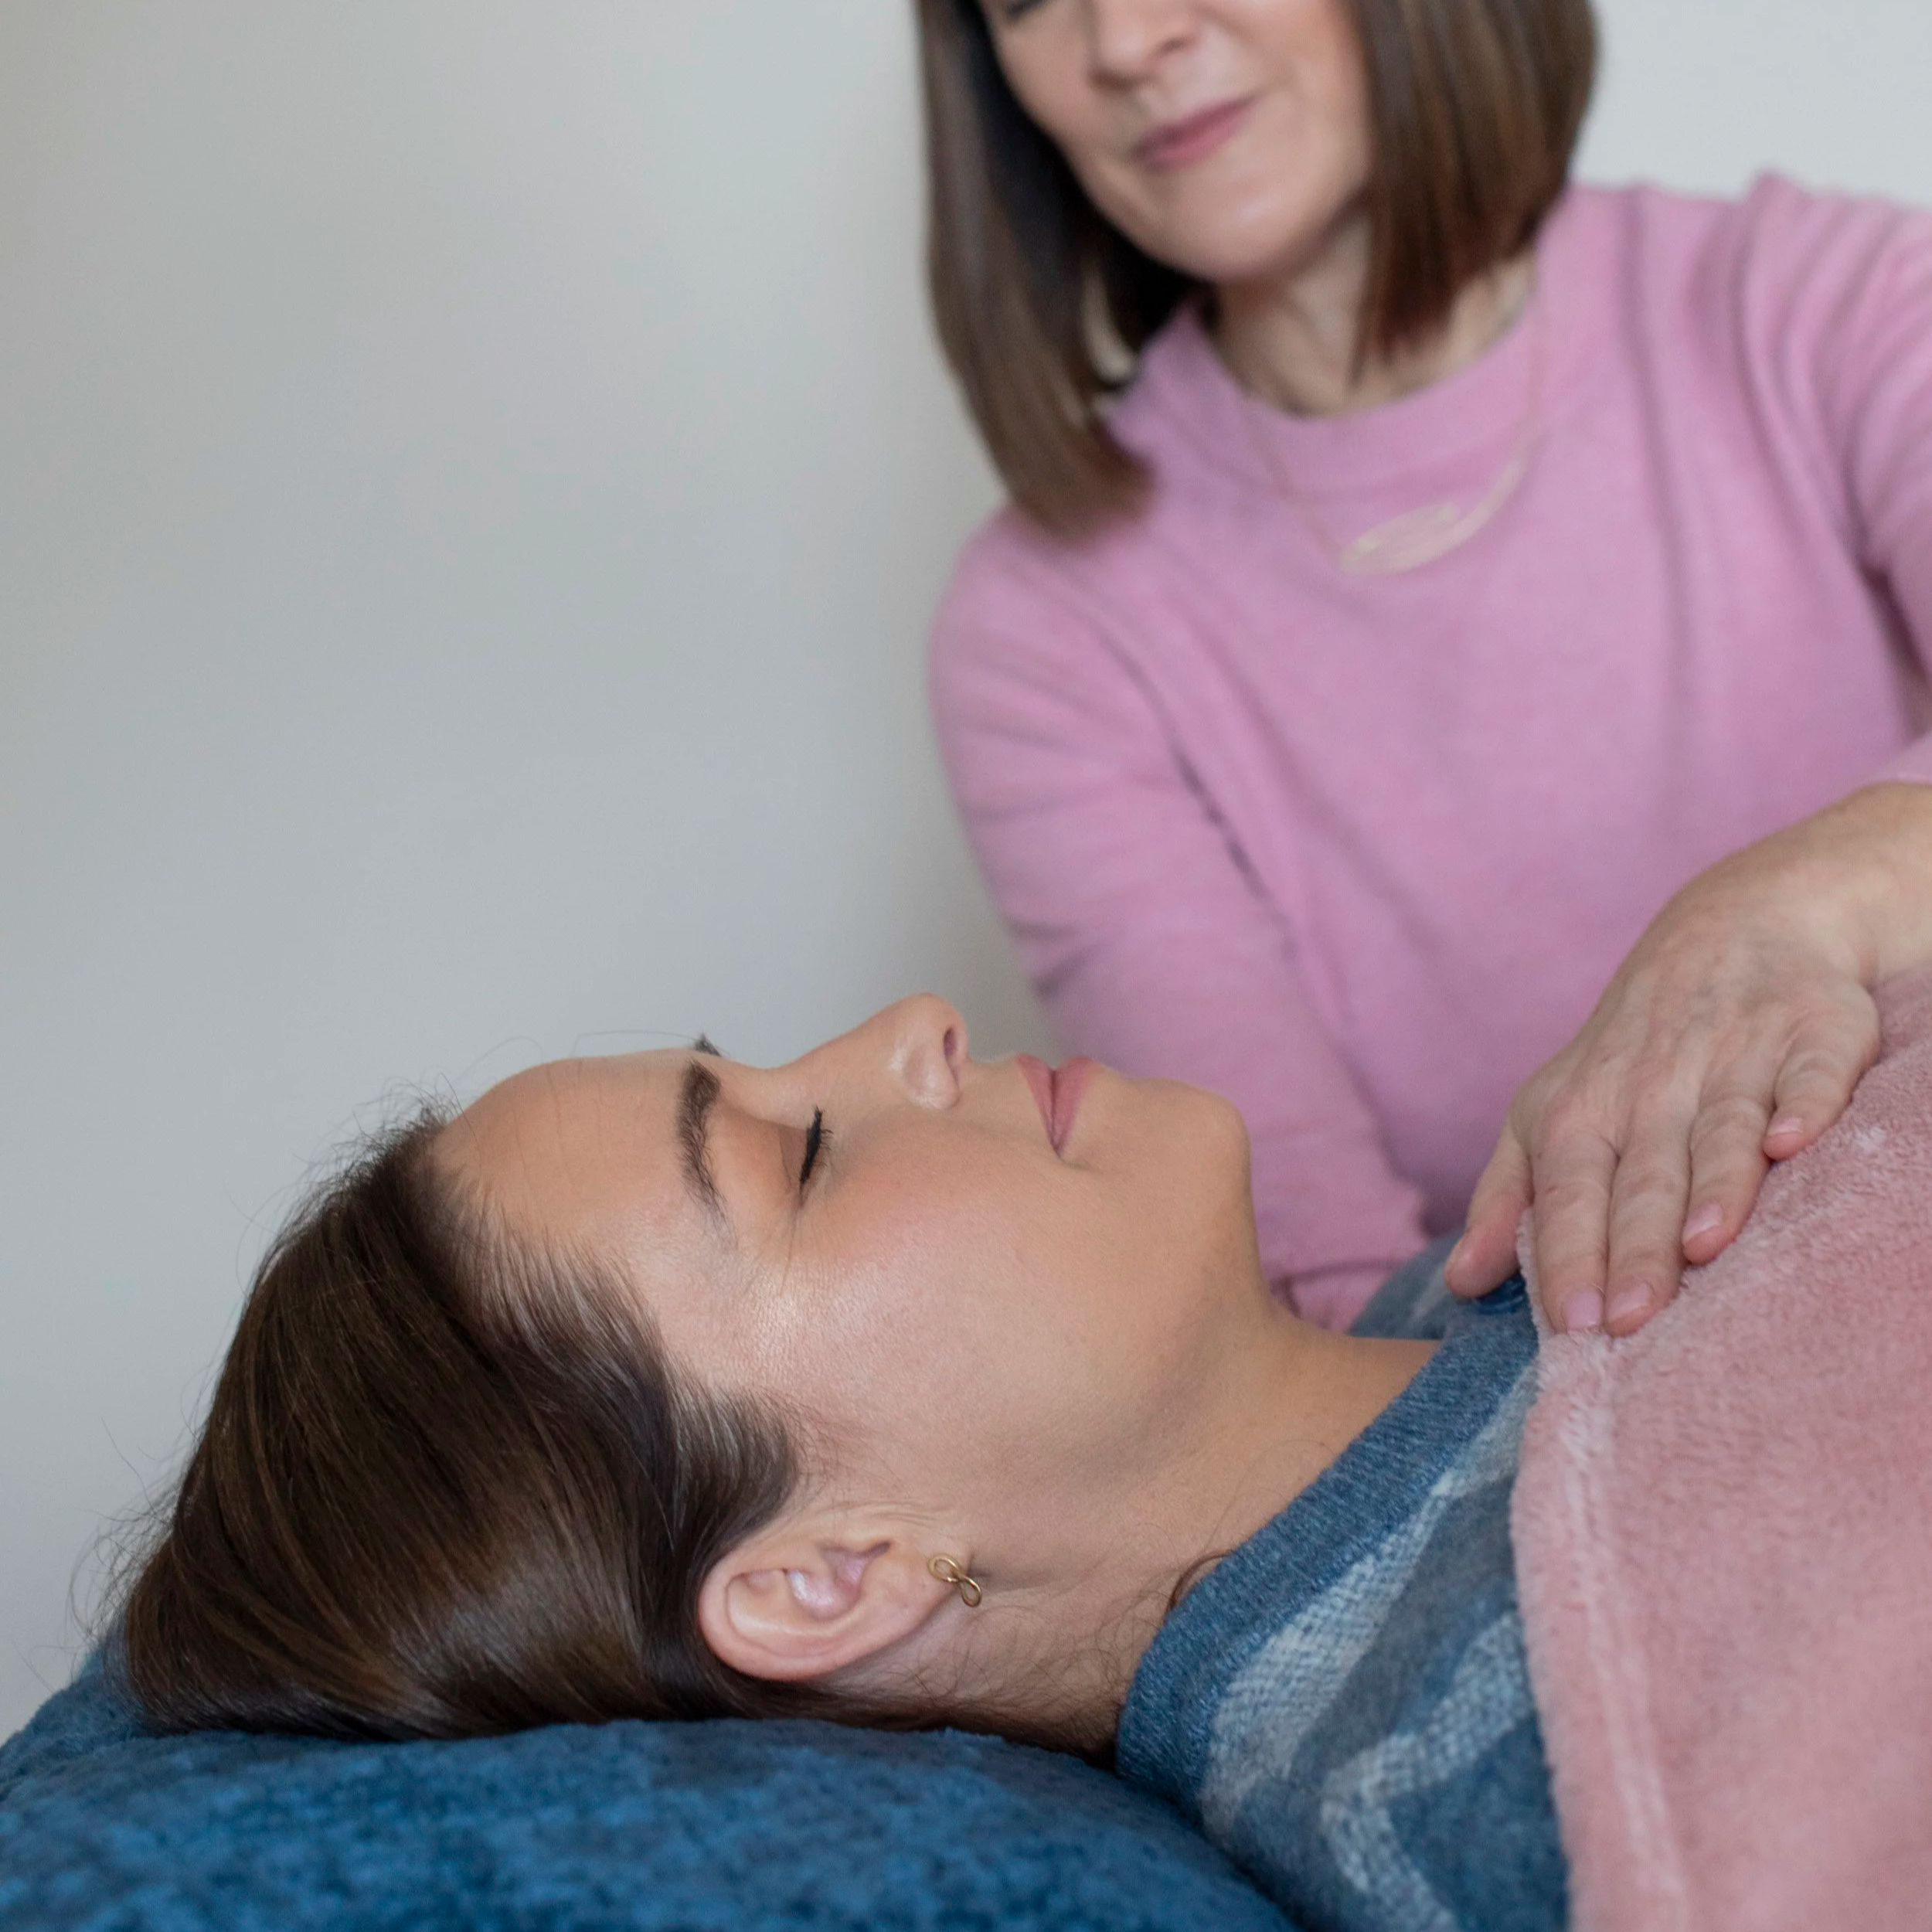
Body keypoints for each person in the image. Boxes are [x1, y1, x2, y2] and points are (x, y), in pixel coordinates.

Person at [917, 0, 1932, 1339]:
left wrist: (1781, 913)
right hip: (1558, 1409)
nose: (1123, 40)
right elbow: (1327, 1324)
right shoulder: (1044, 631)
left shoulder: (1824, 303)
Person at [120, 997, 1565, 1927]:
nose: (918, 1022)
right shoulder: (1498, 1747)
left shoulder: (1499, 1263)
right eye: (801, 1154)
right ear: (831, 1577)